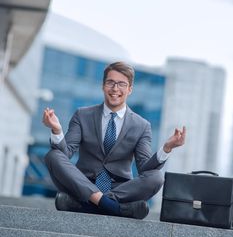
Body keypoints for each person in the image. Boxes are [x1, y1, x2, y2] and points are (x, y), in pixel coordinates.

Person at [43, 61, 186, 219]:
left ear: (130, 89)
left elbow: (145, 169)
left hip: (120, 190)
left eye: (121, 84)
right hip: (83, 183)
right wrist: (56, 130)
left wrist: (166, 148)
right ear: (103, 86)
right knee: (53, 156)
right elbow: (66, 153)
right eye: (110, 82)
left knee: (157, 176)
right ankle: (113, 208)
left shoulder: (142, 125)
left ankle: (87, 204)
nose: (115, 89)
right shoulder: (82, 115)